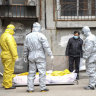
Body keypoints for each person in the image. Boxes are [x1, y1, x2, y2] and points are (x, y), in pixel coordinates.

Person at [24, 22, 54, 92]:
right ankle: (42, 88)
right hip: (40, 55)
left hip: (31, 55)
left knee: (31, 72)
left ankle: (30, 89)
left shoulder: (27, 36)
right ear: (39, 28)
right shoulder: (41, 36)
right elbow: (46, 46)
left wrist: (25, 56)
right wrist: (50, 54)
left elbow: (25, 48)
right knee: (42, 72)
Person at [0, 24, 18, 89]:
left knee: (6, 70)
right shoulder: (9, 36)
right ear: (12, 29)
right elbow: (12, 47)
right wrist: (15, 56)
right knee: (9, 71)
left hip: (3, 54)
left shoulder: (3, 35)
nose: (14, 31)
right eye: (14, 30)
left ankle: (5, 83)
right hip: (9, 55)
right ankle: (8, 85)